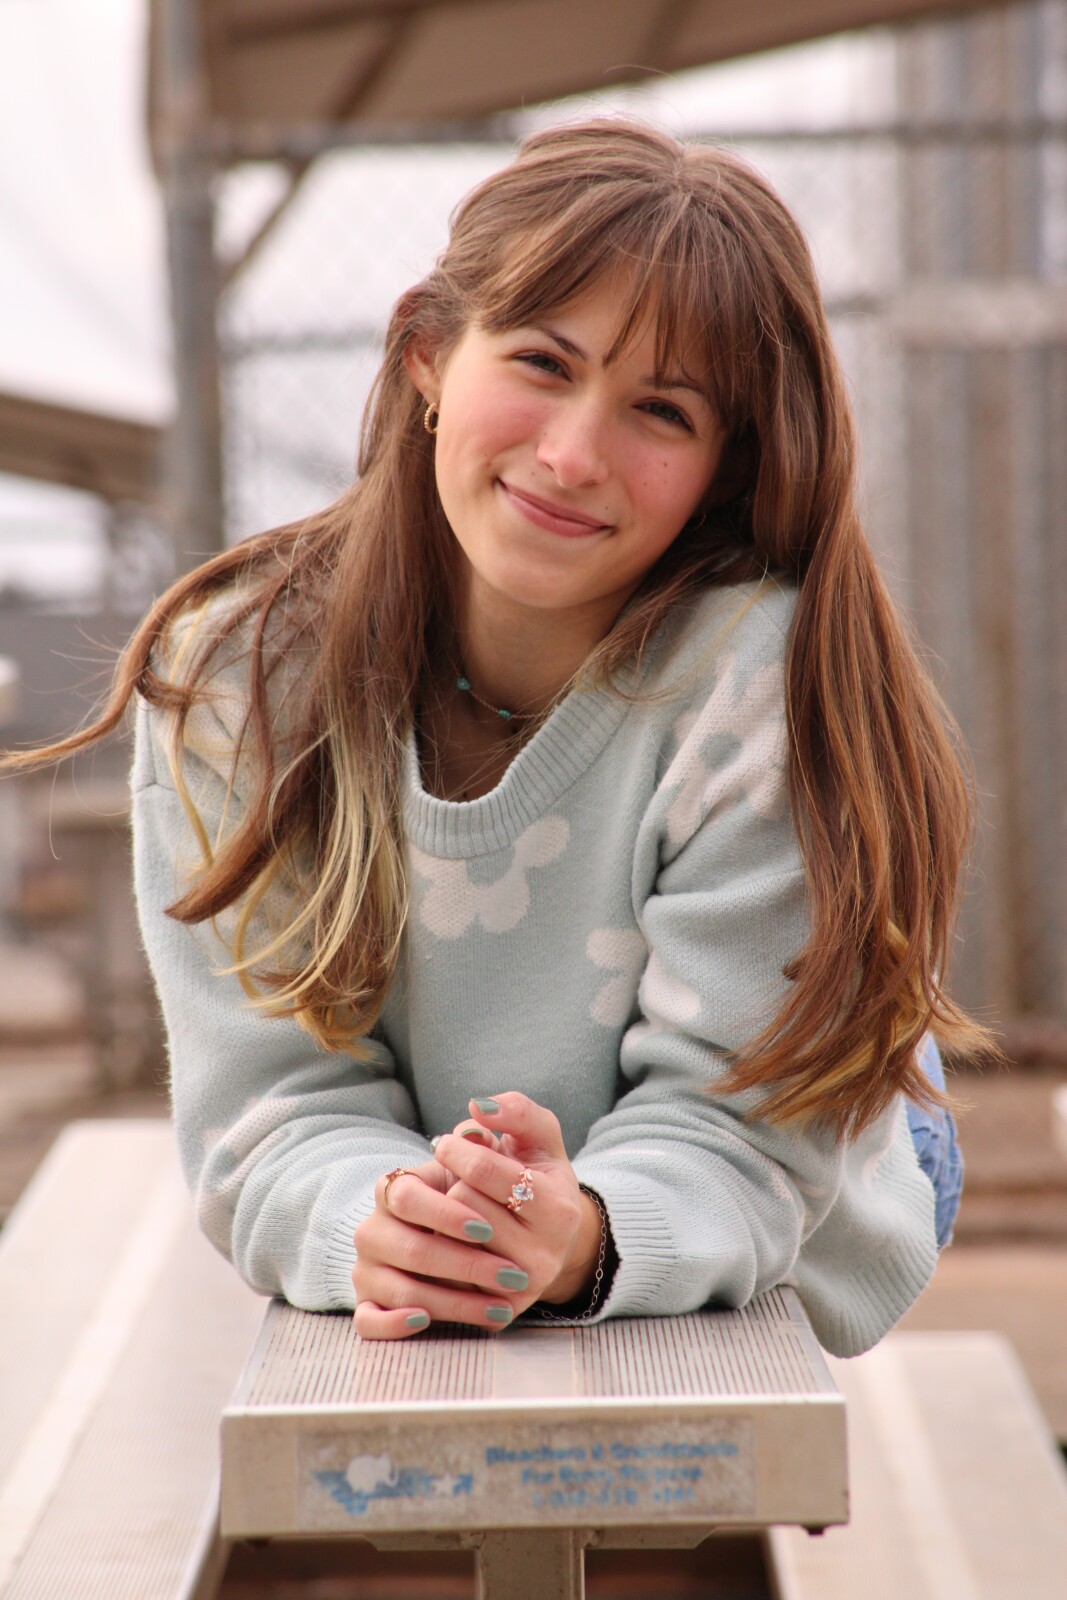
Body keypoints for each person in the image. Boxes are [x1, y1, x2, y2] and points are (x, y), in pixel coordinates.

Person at [6, 119, 981, 1355]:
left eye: (661, 410)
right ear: (425, 354)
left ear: (723, 471)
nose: (571, 456)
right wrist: (383, 1223)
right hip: (455, 1147)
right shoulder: (238, 678)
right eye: (539, 361)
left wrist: (582, 1237)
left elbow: (739, 1134)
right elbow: (269, 1103)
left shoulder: (758, 680)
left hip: (803, 1146)